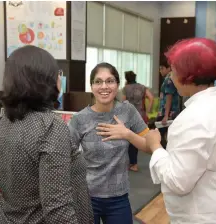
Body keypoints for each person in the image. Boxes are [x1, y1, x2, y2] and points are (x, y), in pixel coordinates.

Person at [0, 45, 94, 224]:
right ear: (44, 79)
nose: (59, 77)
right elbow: (58, 211)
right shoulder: (51, 127)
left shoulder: (2, 122)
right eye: (56, 72)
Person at [145, 38, 216, 223]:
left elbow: (178, 181)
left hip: (205, 215)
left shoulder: (194, 117)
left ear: (188, 76)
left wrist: (156, 147)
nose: (170, 76)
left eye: (173, 71)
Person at [68, 62, 150, 224]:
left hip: (118, 198)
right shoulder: (80, 119)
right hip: (87, 196)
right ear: (91, 86)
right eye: (98, 82)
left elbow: (150, 145)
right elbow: (65, 156)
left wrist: (127, 134)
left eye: (110, 81)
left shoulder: (127, 111)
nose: (104, 86)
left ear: (118, 85)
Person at [122, 71, 154, 172]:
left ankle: (132, 163)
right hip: (140, 115)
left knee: (129, 138)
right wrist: (147, 111)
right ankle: (134, 163)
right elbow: (151, 98)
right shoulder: (142, 87)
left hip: (129, 116)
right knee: (137, 138)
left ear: (126, 78)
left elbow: (123, 102)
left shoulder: (125, 89)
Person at [157, 61, 180, 148]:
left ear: (169, 68)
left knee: (160, 136)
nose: (160, 71)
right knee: (167, 136)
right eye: (160, 69)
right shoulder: (169, 78)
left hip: (168, 112)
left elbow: (169, 98)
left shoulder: (169, 80)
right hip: (168, 111)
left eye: (162, 68)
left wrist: (166, 115)